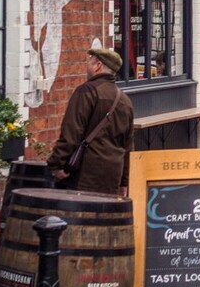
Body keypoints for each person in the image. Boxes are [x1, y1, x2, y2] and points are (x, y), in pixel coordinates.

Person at [47, 45, 136, 195]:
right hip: (112, 175)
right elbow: (127, 145)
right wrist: (124, 181)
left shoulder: (86, 92)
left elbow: (72, 131)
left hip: (85, 174)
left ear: (98, 66)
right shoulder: (125, 101)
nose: (87, 67)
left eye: (89, 62)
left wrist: (57, 164)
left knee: (82, 216)